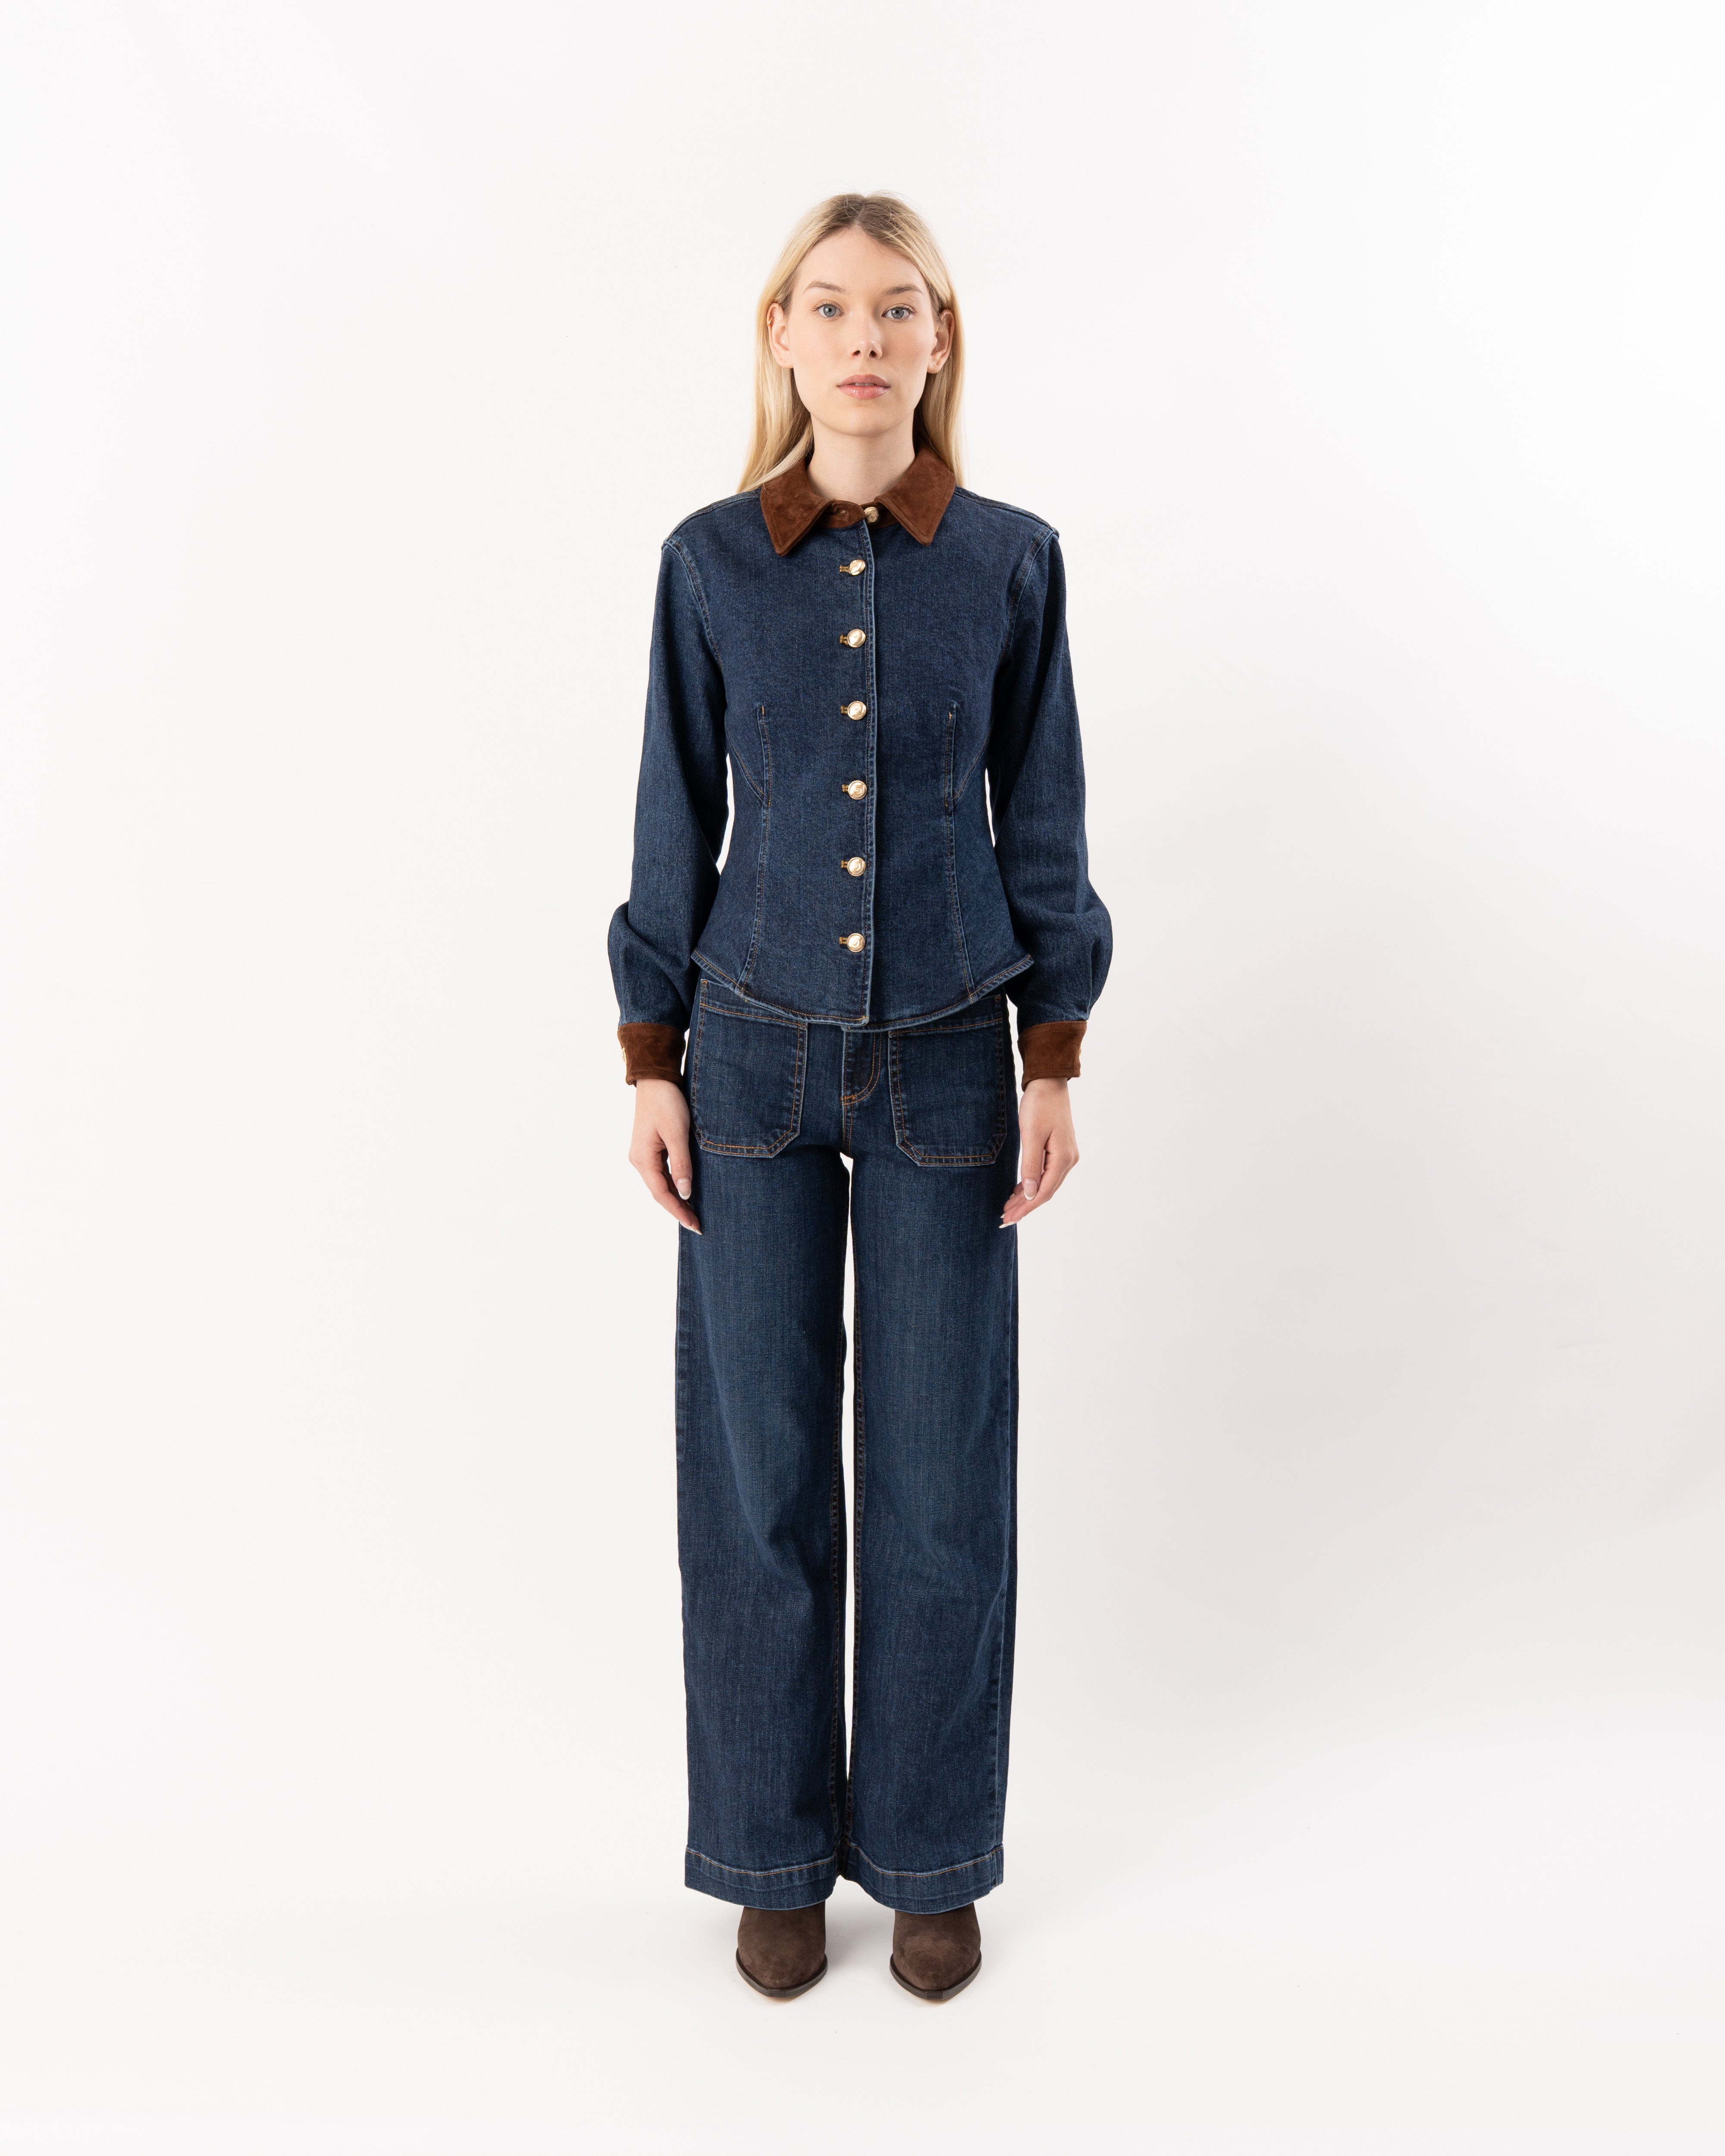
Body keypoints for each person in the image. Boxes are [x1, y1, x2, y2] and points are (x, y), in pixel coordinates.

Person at [608, 193, 1110, 2002]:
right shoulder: (708, 562)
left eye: (899, 309)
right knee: (756, 1478)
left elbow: (1041, 816)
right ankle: (766, 1852)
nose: (865, 338)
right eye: (829, 308)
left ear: (939, 341)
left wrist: (1053, 1052)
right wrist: (649, 1058)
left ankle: (927, 1857)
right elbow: (673, 816)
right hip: (746, 1058)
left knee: (940, 1478)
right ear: (781, 337)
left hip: (950, 1062)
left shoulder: (1010, 561)